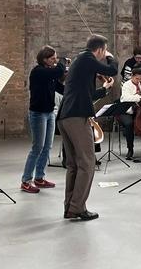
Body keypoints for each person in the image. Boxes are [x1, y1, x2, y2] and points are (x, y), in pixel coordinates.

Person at [57, 34, 117, 221]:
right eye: (103, 51)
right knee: (88, 162)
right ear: (100, 50)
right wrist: (111, 57)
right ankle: (77, 208)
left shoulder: (80, 61)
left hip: (66, 117)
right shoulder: (88, 58)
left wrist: (105, 89)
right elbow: (112, 69)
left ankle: (71, 207)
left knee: (74, 164)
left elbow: (89, 94)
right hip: (76, 117)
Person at [20, 46, 65, 193]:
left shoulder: (49, 74)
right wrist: (62, 63)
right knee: (37, 148)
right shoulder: (39, 71)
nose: (55, 60)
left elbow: (61, 88)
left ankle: (39, 178)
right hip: (38, 114)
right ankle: (26, 181)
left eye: (56, 58)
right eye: (53, 58)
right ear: (44, 59)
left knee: (47, 147)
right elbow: (58, 71)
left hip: (50, 113)